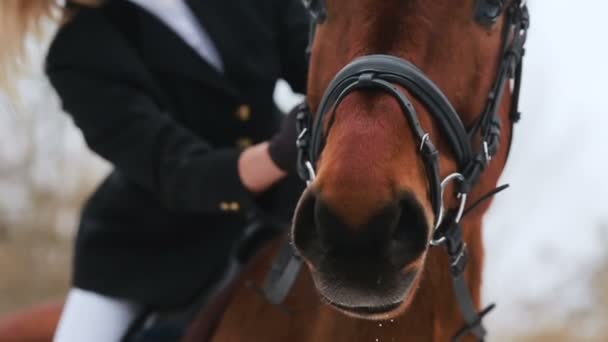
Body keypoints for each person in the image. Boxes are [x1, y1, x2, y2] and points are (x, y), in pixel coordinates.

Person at [3, 0, 309, 341]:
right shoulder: (77, 53)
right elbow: (177, 170)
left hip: (286, 200)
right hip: (155, 250)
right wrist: (280, 153)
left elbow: (318, 60)